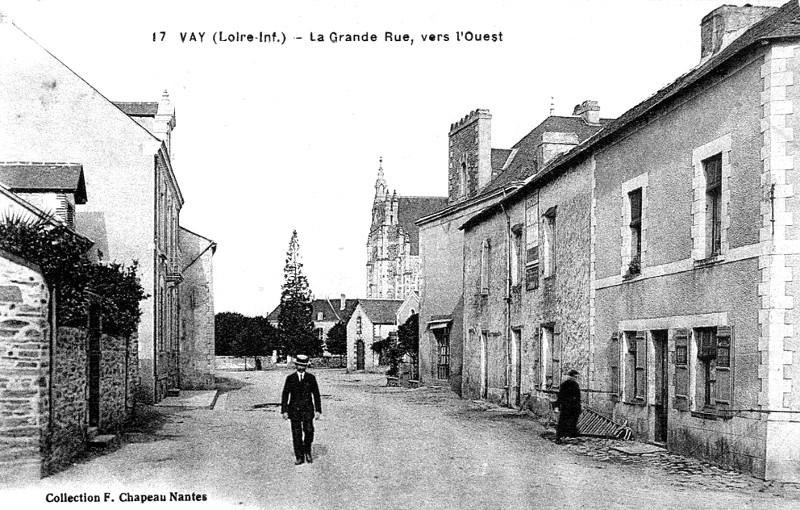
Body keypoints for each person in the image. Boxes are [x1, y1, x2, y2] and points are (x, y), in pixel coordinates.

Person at [281, 354, 322, 465]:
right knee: (296, 433)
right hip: (294, 410)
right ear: (296, 365)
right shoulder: (290, 378)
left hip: (308, 409)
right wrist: (284, 410)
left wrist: (318, 410)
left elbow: (316, 394)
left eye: (304, 365)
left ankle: (307, 450)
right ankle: (299, 456)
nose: (301, 367)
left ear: (306, 366)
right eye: (300, 365)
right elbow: (285, 394)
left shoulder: (311, 378)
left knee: (309, 431)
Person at [554, 369, 581, 444]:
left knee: (573, 422)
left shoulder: (576, 385)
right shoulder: (564, 385)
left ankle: (570, 437)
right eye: (574, 377)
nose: (575, 379)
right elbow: (560, 396)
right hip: (566, 407)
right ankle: (559, 437)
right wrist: (557, 406)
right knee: (563, 421)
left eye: (576, 377)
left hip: (574, 407)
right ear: (570, 377)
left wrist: (579, 407)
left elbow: (578, 397)